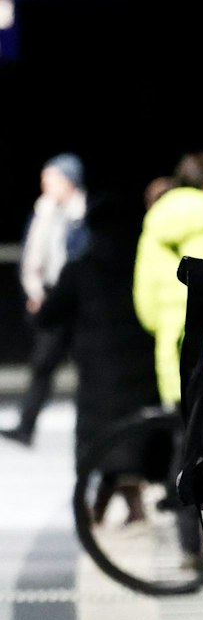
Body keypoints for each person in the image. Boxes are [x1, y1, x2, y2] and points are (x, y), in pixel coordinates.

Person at [35, 190, 158, 521]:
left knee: (102, 440)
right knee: (131, 437)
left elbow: (49, 315)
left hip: (97, 368)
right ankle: (121, 506)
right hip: (141, 364)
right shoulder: (143, 261)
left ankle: (104, 509)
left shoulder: (82, 268)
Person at [134, 151, 203, 406]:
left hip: (171, 340)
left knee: (180, 426)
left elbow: (145, 291)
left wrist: (163, 324)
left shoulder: (156, 221)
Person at [5, 154, 88, 445]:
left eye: (51, 177)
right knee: (42, 364)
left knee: (87, 364)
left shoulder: (84, 212)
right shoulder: (43, 212)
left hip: (80, 300)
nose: (45, 183)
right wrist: (35, 293)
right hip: (52, 297)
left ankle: (89, 426)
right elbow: (31, 258)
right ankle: (26, 426)